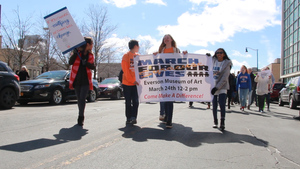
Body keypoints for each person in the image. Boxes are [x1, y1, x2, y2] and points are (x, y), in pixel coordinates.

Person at [154, 34, 186, 129]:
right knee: (165, 98)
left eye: (168, 37)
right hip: (163, 79)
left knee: (170, 99)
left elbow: (181, 62)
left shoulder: (177, 51)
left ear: (171, 39)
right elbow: (157, 64)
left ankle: (169, 121)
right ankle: (166, 116)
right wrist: (155, 56)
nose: (166, 39)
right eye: (164, 38)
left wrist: (185, 54)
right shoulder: (161, 51)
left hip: (173, 79)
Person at [69, 37, 95, 126]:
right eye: (92, 44)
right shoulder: (77, 53)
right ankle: (80, 113)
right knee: (79, 99)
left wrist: (86, 63)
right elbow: (70, 62)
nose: (92, 46)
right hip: (76, 80)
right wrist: (75, 54)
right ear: (87, 44)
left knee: (82, 98)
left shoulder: (90, 55)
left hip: (85, 80)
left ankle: (81, 116)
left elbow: (93, 67)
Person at [210, 48, 232, 131]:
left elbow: (225, 77)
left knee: (222, 104)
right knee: (214, 105)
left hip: (222, 86)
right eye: (217, 52)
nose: (219, 54)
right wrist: (207, 57)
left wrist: (217, 87)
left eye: (221, 52)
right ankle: (215, 121)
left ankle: (222, 122)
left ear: (224, 54)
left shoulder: (227, 63)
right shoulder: (212, 61)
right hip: (213, 85)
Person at [121, 40, 140, 125]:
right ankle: (128, 118)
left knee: (136, 101)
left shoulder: (138, 56)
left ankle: (134, 117)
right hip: (127, 84)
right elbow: (126, 71)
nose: (139, 48)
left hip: (136, 85)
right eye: (138, 46)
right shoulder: (126, 56)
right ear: (135, 46)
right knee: (128, 101)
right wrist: (133, 80)